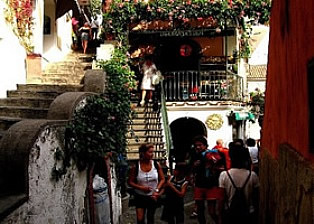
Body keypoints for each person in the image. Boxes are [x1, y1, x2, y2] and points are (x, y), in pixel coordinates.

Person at [219, 144, 260, 224]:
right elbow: (256, 198)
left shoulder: (224, 175)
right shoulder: (252, 175)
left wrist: (220, 215)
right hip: (248, 213)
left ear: (230, 158)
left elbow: (221, 198)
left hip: (230, 213)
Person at [128, 143, 165, 224]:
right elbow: (130, 182)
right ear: (143, 153)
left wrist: (157, 190)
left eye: (153, 152)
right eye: (150, 152)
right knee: (140, 219)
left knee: (150, 218)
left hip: (152, 196)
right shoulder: (136, 166)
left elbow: (162, 179)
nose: (152, 154)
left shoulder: (156, 164)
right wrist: (141, 187)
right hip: (140, 196)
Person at [191, 135, 225, 224]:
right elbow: (191, 169)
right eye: (196, 145)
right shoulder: (194, 155)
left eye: (200, 145)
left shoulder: (212, 154)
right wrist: (194, 166)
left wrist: (212, 165)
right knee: (200, 210)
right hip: (199, 185)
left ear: (205, 145)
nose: (198, 147)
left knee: (212, 211)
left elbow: (220, 165)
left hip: (211, 185)